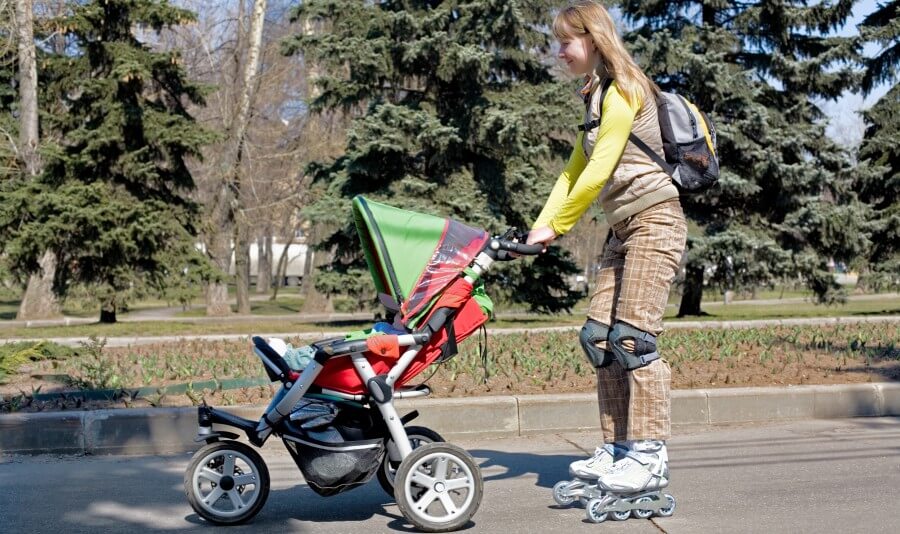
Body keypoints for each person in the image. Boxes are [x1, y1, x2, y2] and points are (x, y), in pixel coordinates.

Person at [528, 1, 687, 495]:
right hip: (624, 229)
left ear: (593, 40)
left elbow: (599, 172)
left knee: (634, 340)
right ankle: (619, 450)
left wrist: (560, 226)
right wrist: (539, 228)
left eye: (565, 42)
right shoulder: (595, 98)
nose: (558, 52)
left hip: (656, 221)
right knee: (599, 336)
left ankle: (649, 455)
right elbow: (573, 171)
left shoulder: (625, 89)